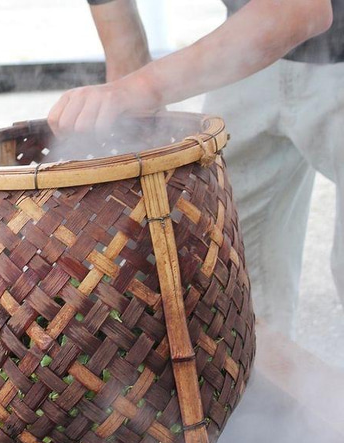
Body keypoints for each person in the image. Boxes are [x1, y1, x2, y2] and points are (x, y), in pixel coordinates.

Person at [48, 0, 343, 338]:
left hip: (301, 24)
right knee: (227, 271)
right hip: (248, 44)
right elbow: (123, 49)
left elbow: (300, 9)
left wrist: (138, 88)